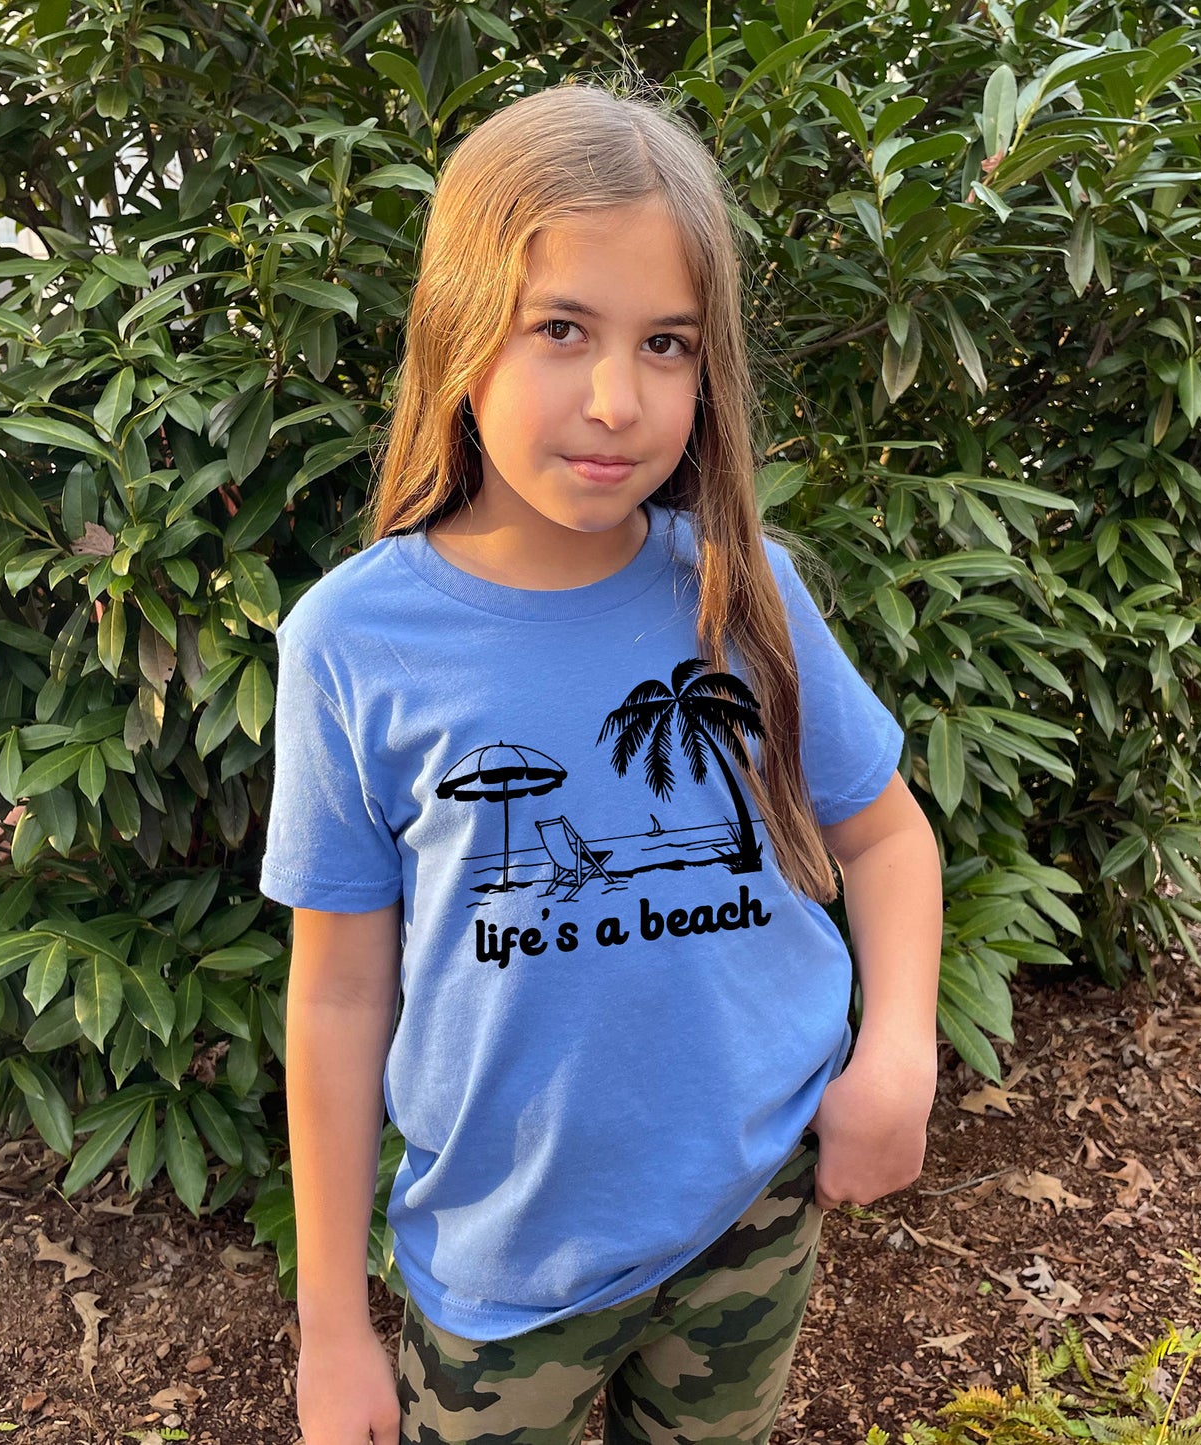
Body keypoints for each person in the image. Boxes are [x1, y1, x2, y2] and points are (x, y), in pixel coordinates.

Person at [259, 75, 943, 1445]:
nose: (617, 398)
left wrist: (899, 1047)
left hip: (747, 1208)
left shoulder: (741, 587)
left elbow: (885, 835)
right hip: (501, 1271)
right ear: (462, 330)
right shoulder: (351, 640)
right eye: (561, 329)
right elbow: (336, 1003)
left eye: (669, 344)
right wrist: (334, 1328)